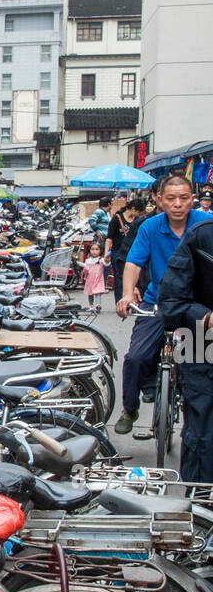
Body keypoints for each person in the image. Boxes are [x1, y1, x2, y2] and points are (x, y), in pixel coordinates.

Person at [113, 175, 213, 434]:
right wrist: (126, 294)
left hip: (196, 309)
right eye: (171, 198)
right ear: (158, 199)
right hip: (157, 304)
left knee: (199, 366)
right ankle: (130, 408)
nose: (177, 204)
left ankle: (195, 423)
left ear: (194, 199)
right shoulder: (149, 227)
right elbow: (134, 263)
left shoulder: (206, 225)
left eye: (183, 198)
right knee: (136, 357)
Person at [158, 217, 213, 480]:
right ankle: (201, 510)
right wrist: (206, 317)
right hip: (202, 346)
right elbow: (170, 302)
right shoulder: (201, 237)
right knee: (204, 436)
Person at [108, 198, 147, 307]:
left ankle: (131, 300)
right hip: (117, 252)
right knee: (119, 278)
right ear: (133, 209)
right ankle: (120, 302)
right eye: (139, 212)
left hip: (132, 252)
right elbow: (109, 238)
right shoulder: (117, 219)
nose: (140, 214)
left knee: (134, 277)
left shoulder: (137, 221)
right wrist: (106, 253)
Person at [81, 240, 107, 309]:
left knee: (98, 292)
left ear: (100, 251)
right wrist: (85, 275)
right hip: (90, 279)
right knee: (90, 293)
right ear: (89, 250)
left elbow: (106, 264)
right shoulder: (88, 260)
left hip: (98, 279)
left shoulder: (101, 260)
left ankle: (98, 304)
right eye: (92, 249)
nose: (94, 251)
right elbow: (85, 270)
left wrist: (107, 259)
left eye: (96, 249)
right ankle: (91, 306)